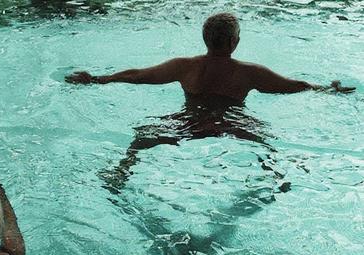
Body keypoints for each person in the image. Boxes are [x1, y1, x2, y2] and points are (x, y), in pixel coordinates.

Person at [66, 12, 355, 193]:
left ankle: (119, 174)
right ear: (233, 42)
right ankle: (277, 179)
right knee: (265, 143)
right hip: (233, 123)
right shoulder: (249, 72)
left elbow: (139, 76)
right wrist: (328, 89)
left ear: (206, 40)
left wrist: (97, 79)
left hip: (189, 122)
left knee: (141, 139)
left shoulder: (185, 66)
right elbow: (293, 87)